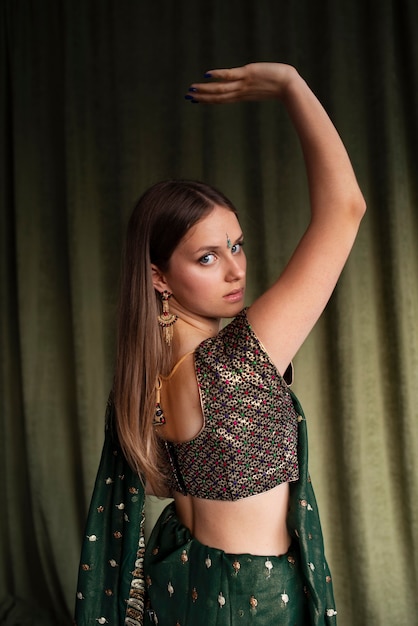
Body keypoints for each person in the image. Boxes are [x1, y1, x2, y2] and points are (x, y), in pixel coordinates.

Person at [74, 63, 366, 626]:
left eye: (237, 246)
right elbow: (344, 209)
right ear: (160, 277)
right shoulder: (237, 359)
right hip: (256, 601)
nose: (236, 270)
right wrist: (289, 85)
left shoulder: (144, 379)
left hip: (186, 586)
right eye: (207, 257)